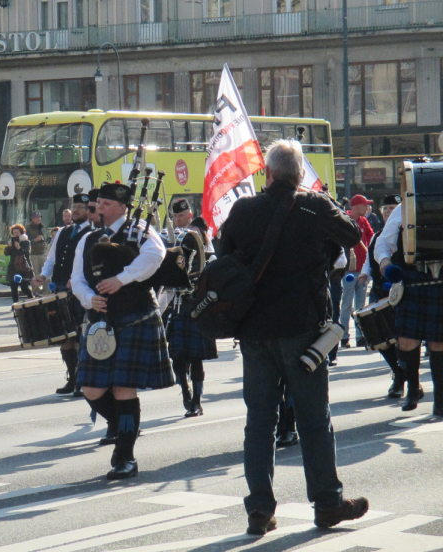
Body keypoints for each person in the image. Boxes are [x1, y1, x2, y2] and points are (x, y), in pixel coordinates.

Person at [219, 139, 368, 535]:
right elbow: (353, 233)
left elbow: (224, 252)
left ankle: (259, 511)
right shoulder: (313, 206)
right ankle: (327, 504)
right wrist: (323, 204)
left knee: (259, 422)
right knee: (314, 421)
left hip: (253, 331)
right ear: (301, 174)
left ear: (267, 173)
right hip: (302, 330)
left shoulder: (244, 208)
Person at [71, 181, 174, 480]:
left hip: (134, 317)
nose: (98, 207)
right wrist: (90, 298)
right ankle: (123, 425)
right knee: (91, 388)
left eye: (104, 203)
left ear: (121, 206)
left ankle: (125, 456)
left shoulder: (139, 231)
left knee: (122, 387)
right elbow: (77, 279)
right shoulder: (88, 239)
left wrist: (122, 279)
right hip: (101, 322)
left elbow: (156, 256)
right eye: (97, 203)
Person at [375, 194, 443, 415]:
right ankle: (413, 389)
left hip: (440, 280)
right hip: (412, 279)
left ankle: (441, 400)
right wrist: (385, 264)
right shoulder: (404, 208)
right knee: (406, 341)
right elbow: (383, 242)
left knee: (438, 343)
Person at [34, 193, 93, 397]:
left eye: (80, 207)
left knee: (79, 335)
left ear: (88, 210)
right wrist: (42, 276)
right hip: (60, 289)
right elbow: (52, 258)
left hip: (80, 289)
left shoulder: (93, 233)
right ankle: (72, 377)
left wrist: (78, 280)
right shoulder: (62, 232)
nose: (76, 210)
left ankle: (82, 380)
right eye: (74, 206)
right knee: (64, 336)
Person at [166, 212, 218, 418]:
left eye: (197, 232)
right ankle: (186, 393)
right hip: (180, 308)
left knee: (196, 359)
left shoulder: (211, 259)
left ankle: (196, 401)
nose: (193, 234)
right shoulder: (181, 247)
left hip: (198, 308)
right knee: (177, 357)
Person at [358, 194, 404, 398]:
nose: (388, 211)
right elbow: (370, 259)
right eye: (385, 208)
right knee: (380, 338)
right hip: (378, 291)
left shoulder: (405, 237)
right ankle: (398, 371)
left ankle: (405, 377)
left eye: (393, 207)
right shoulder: (377, 237)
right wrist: (364, 273)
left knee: (402, 339)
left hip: (399, 293)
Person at [339, 194, 374, 348]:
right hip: (349, 270)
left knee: (361, 305)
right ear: (355, 206)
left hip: (363, 269)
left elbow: (372, 239)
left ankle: (361, 336)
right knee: (346, 303)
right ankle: (344, 336)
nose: (367, 207)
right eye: (364, 204)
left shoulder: (363, 221)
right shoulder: (344, 220)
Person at [6, 224, 34, 303]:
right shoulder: (12, 241)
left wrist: (19, 248)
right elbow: (6, 253)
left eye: (17, 232)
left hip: (23, 267)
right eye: (14, 232)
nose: (16, 234)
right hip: (13, 267)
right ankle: (15, 304)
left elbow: (27, 253)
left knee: (24, 288)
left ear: (21, 232)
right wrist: (9, 246)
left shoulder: (26, 242)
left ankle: (32, 299)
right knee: (13, 287)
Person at [26, 211, 47, 294]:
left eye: (39, 217)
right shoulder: (28, 227)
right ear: (32, 218)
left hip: (43, 253)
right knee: (35, 274)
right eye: (36, 217)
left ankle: (46, 292)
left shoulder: (42, 227)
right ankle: (35, 292)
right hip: (33, 254)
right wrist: (34, 240)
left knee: (46, 273)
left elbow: (46, 238)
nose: (38, 219)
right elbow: (25, 242)